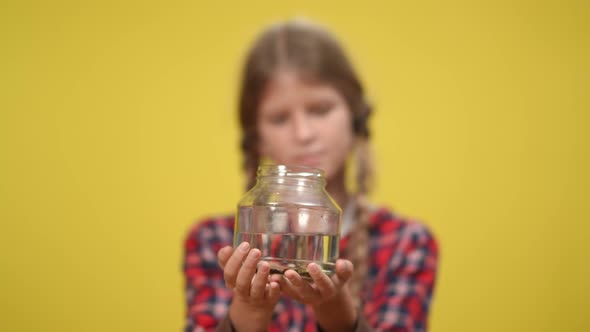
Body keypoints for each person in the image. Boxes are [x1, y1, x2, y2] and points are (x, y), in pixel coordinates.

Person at [183, 19, 438, 332]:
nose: (303, 134)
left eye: (320, 110)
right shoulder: (212, 242)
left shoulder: (406, 243)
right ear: (257, 137)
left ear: (355, 118)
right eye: (279, 118)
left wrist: (337, 313)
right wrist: (249, 308)